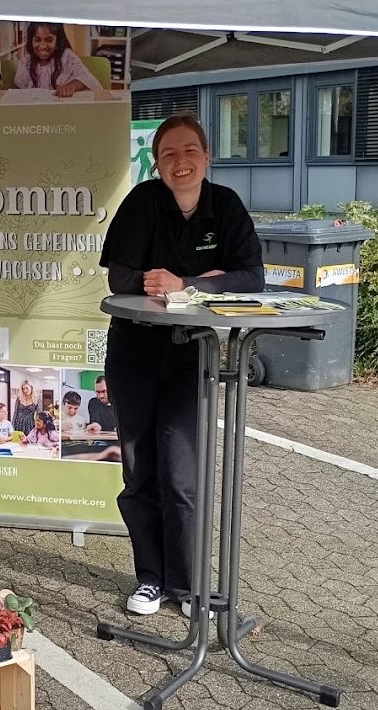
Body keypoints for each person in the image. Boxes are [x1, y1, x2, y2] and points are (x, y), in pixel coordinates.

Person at [101, 114, 264, 617]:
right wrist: (194, 279)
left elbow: (252, 276)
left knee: (182, 475)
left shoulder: (226, 206)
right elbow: (120, 278)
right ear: (156, 162)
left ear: (207, 156)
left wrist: (188, 284)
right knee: (139, 471)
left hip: (192, 357)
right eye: (168, 154)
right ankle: (150, 577)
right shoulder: (142, 202)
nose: (180, 162)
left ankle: (188, 585)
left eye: (189, 151)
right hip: (134, 354)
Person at [14, 23, 102, 98]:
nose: (43, 46)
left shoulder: (68, 57)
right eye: (37, 40)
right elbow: (16, 93)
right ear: (31, 41)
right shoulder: (26, 61)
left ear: (57, 42)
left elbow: (91, 82)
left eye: (49, 40)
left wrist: (72, 86)